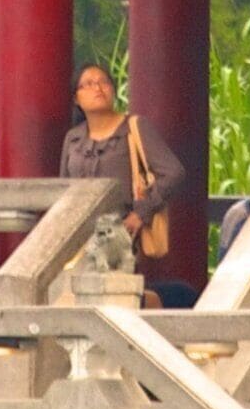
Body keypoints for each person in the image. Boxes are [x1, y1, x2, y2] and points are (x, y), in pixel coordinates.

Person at [59, 62, 195, 308]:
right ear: (76, 98)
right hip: (78, 236)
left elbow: (173, 173)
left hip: (118, 232)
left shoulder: (133, 128)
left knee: (109, 302)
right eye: (88, 84)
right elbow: (63, 188)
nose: (98, 88)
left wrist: (139, 213)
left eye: (103, 82)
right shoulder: (73, 138)